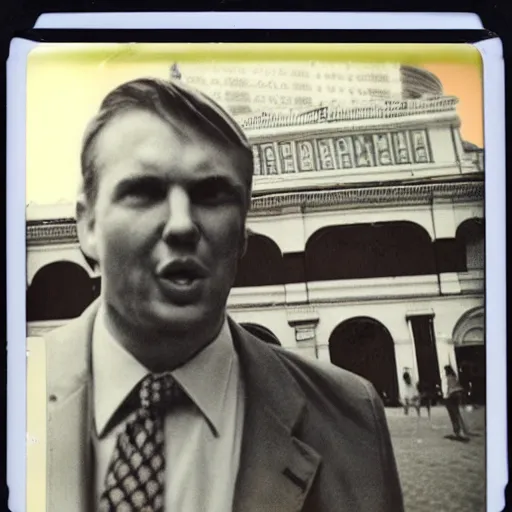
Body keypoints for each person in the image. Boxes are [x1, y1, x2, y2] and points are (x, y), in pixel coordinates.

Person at [43, 77, 404, 511]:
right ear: (87, 226)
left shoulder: (352, 418)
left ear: (244, 232)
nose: (181, 224)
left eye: (212, 195)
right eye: (144, 192)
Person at [443, 365, 470, 440]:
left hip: (450, 397)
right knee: (457, 413)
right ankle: (463, 430)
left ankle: (458, 431)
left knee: (453, 415)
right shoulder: (454, 376)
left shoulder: (449, 377)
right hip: (456, 396)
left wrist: (446, 396)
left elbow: (449, 388)